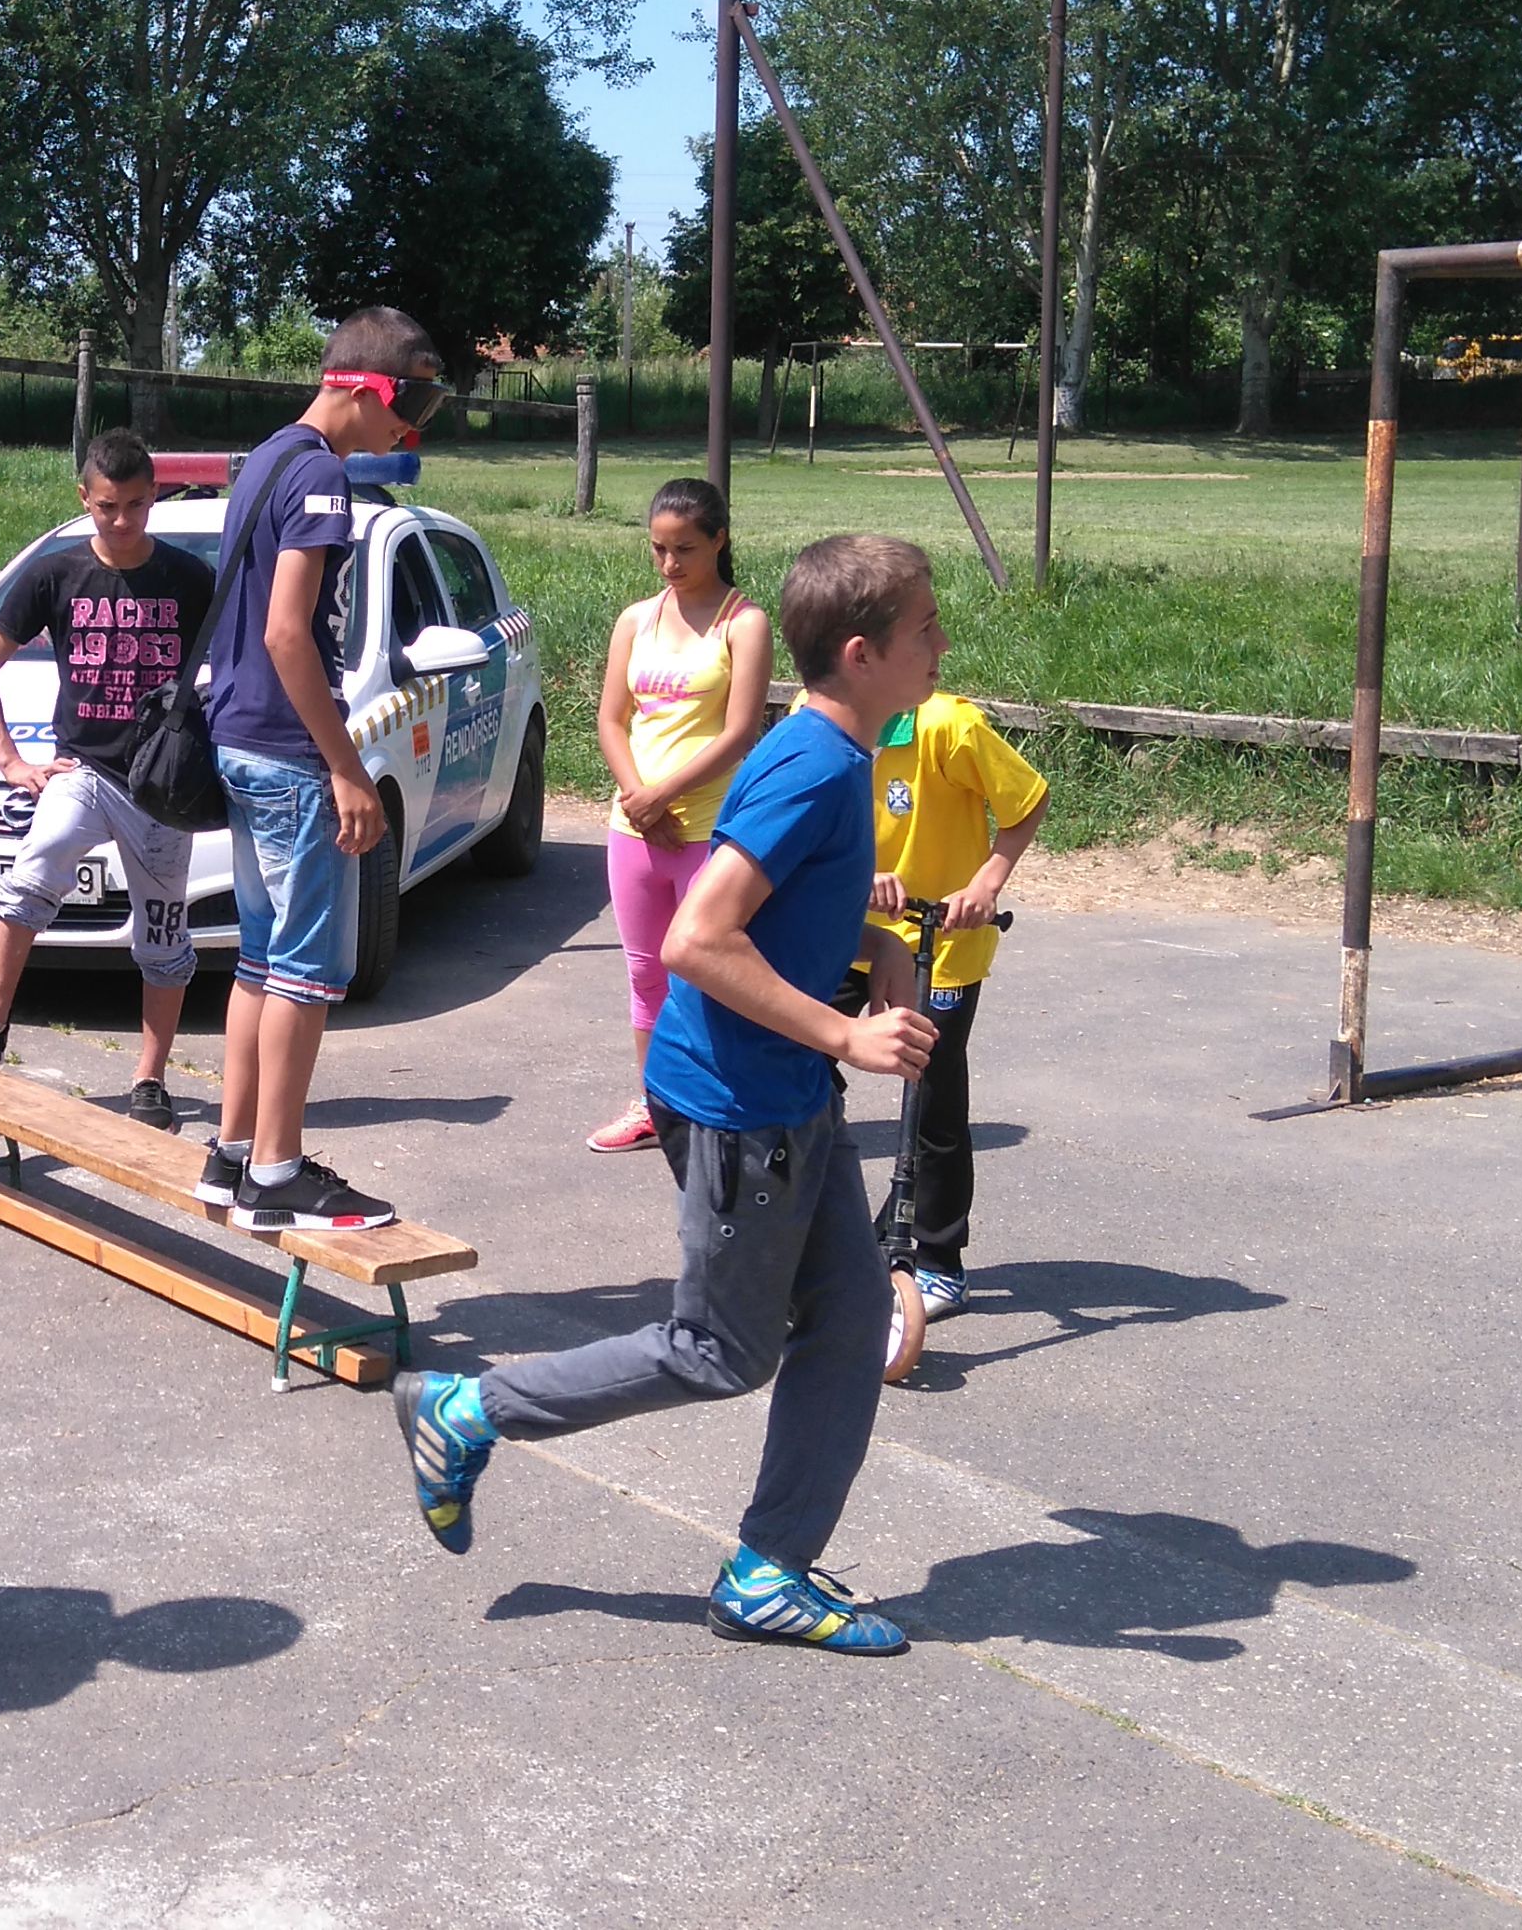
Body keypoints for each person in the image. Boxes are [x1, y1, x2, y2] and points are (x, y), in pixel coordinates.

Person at [393, 533, 947, 1656]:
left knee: (849, 1321)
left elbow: (784, 909)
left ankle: (768, 1571)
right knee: (719, 1351)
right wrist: (848, 1030)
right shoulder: (812, 766)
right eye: (924, 628)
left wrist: (877, 943)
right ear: (861, 652)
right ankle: (466, 1407)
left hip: (784, 1091)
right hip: (741, 1106)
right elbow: (699, 935)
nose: (941, 643)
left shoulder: (838, 755)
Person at [188, 311, 440, 1234]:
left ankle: (232, 1153)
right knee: (303, 972)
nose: (409, 431)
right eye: (409, 405)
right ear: (364, 385)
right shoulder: (323, 473)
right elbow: (287, 634)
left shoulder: (266, 456)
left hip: (241, 739)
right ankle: (277, 1173)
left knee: (260, 960)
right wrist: (348, 769)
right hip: (291, 753)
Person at [0, 432, 213, 1132]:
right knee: (32, 870)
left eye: (136, 505)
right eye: (107, 506)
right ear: (84, 499)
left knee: (163, 938)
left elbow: (235, 670)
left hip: (161, 789)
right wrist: (11, 762)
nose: (122, 520)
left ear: (154, 497)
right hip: (83, 771)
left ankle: (150, 1078)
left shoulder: (191, 579)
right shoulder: (55, 574)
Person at [842, 689, 1047, 1323]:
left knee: (931, 1095)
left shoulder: (948, 725)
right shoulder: (816, 717)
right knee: (791, 1060)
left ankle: (937, 1259)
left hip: (941, 935)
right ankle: (825, 1227)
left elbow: (1027, 800)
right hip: (846, 928)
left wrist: (985, 883)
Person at [590, 479, 774, 1155]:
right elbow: (612, 719)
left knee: (710, 973)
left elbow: (741, 730)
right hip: (635, 828)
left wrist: (662, 794)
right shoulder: (635, 620)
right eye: (658, 549)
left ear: (720, 539)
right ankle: (654, 1105)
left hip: (710, 830)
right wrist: (638, 799)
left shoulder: (743, 623)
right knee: (646, 972)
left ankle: (721, 1107)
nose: (669, 564)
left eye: (685, 549)